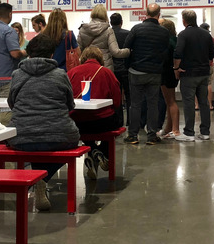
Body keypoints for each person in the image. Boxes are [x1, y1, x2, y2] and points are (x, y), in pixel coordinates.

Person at [7, 33, 79, 211]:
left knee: (35, 143)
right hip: (60, 135)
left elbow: (11, 103)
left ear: (29, 53)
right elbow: (70, 105)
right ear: (52, 55)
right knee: (65, 141)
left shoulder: (17, 74)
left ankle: (38, 179)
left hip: (21, 136)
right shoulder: (60, 74)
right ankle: (43, 179)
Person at [67, 46, 122, 180]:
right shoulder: (107, 72)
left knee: (83, 125)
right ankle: (101, 151)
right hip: (103, 122)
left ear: (83, 58)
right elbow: (117, 101)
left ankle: (92, 151)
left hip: (78, 123)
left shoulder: (72, 72)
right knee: (116, 121)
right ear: (100, 59)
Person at [122, 3, 171, 145]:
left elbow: (126, 48)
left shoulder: (137, 29)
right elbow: (165, 53)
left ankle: (133, 135)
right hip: (154, 73)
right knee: (153, 104)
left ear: (146, 14)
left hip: (136, 72)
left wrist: (128, 66)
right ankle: (151, 136)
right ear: (159, 15)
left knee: (135, 105)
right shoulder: (164, 32)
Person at [173, 10, 214, 142]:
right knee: (204, 103)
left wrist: (176, 68)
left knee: (189, 103)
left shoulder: (183, 34)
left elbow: (178, 53)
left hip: (188, 74)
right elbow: (211, 54)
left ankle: (189, 133)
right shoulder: (206, 34)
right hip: (203, 73)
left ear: (184, 21)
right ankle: (205, 132)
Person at [0, 3, 26, 125]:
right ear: (10, 14)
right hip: (7, 76)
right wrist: (25, 52)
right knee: (6, 110)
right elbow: (15, 54)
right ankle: (6, 139)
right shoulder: (9, 31)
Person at [77, 4, 130, 70]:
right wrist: (128, 51)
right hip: (104, 67)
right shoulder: (108, 30)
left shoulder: (83, 29)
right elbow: (115, 52)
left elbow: (78, 51)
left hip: (86, 66)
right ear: (105, 15)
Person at [158, 19, 180, 139]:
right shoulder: (175, 40)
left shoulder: (166, 42)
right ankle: (169, 128)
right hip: (172, 72)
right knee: (170, 101)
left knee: (170, 101)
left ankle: (175, 129)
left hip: (166, 72)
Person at [110, 12, 131, 125]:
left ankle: (118, 121)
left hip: (113, 69)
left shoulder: (108, 33)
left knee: (116, 96)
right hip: (126, 68)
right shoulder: (128, 33)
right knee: (129, 96)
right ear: (121, 23)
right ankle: (130, 121)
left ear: (110, 22)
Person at [198, 23, 214, 111]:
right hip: (209, 65)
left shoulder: (196, 39)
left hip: (197, 65)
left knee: (196, 85)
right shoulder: (212, 40)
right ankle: (209, 105)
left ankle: (196, 105)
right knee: (208, 84)